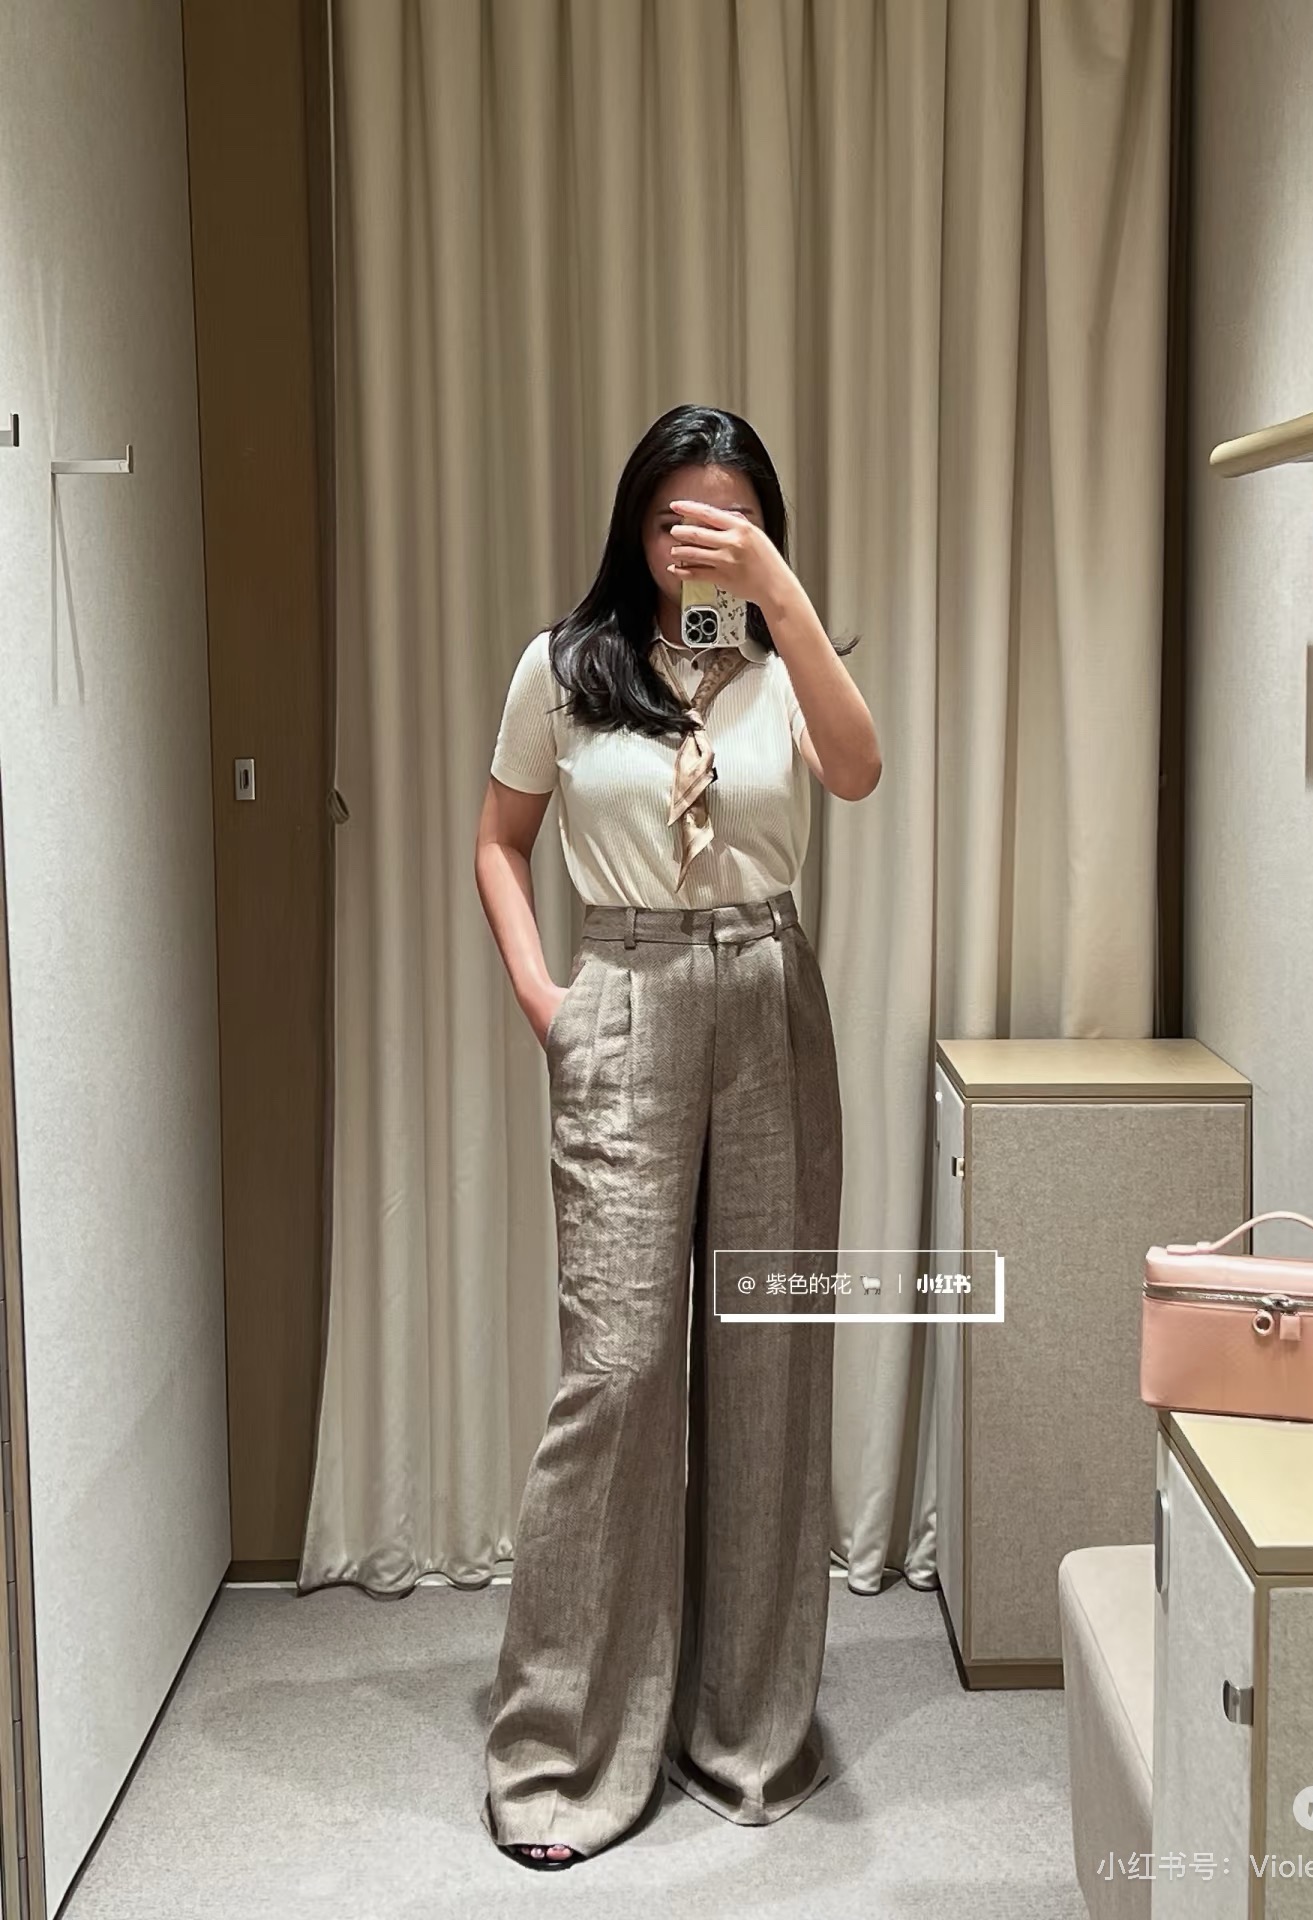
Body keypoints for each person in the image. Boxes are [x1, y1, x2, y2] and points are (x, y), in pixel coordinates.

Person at [472, 402, 881, 1870]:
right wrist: (550, 1000)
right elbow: (498, 840)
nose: (698, 543)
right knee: (622, 1370)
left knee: (769, 1363)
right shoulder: (566, 667)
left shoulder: (786, 665)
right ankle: (564, 1752)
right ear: (632, 526)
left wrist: (779, 595)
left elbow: (859, 769)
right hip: (628, 993)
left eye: (730, 520)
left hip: (770, 995)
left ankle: (747, 1729)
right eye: (675, 519)